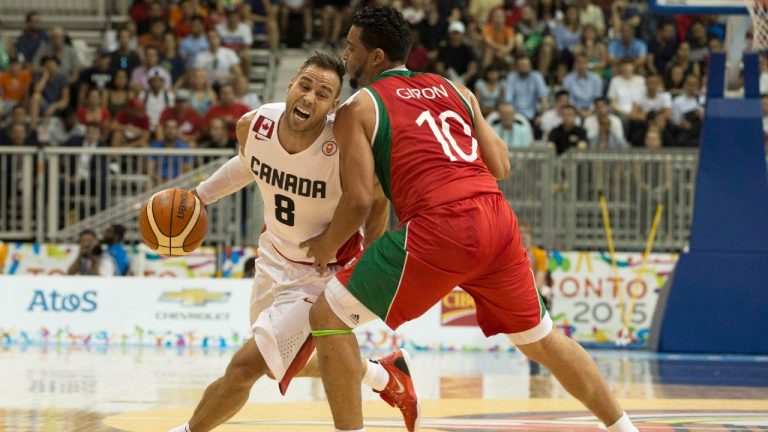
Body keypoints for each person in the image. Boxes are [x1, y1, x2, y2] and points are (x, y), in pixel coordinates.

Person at [301, 7, 639, 432]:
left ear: (375, 57)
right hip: (496, 219)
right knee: (541, 340)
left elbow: (360, 197)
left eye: (351, 47)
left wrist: (327, 246)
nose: (345, 55)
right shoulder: (455, 89)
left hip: (441, 227)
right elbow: (500, 165)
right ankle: (625, 427)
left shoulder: (359, 107)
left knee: (326, 318)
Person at [166, 52, 419, 432]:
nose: (308, 98)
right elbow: (249, 164)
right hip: (273, 257)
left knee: (244, 368)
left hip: (322, 273)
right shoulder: (254, 126)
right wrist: (201, 196)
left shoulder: (344, 145)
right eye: (305, 85)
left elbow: (378, 195)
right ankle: (385, 376)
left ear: (334, 106)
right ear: (290, 85)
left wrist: (363, 252)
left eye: (322, 94)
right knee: (275, 364)